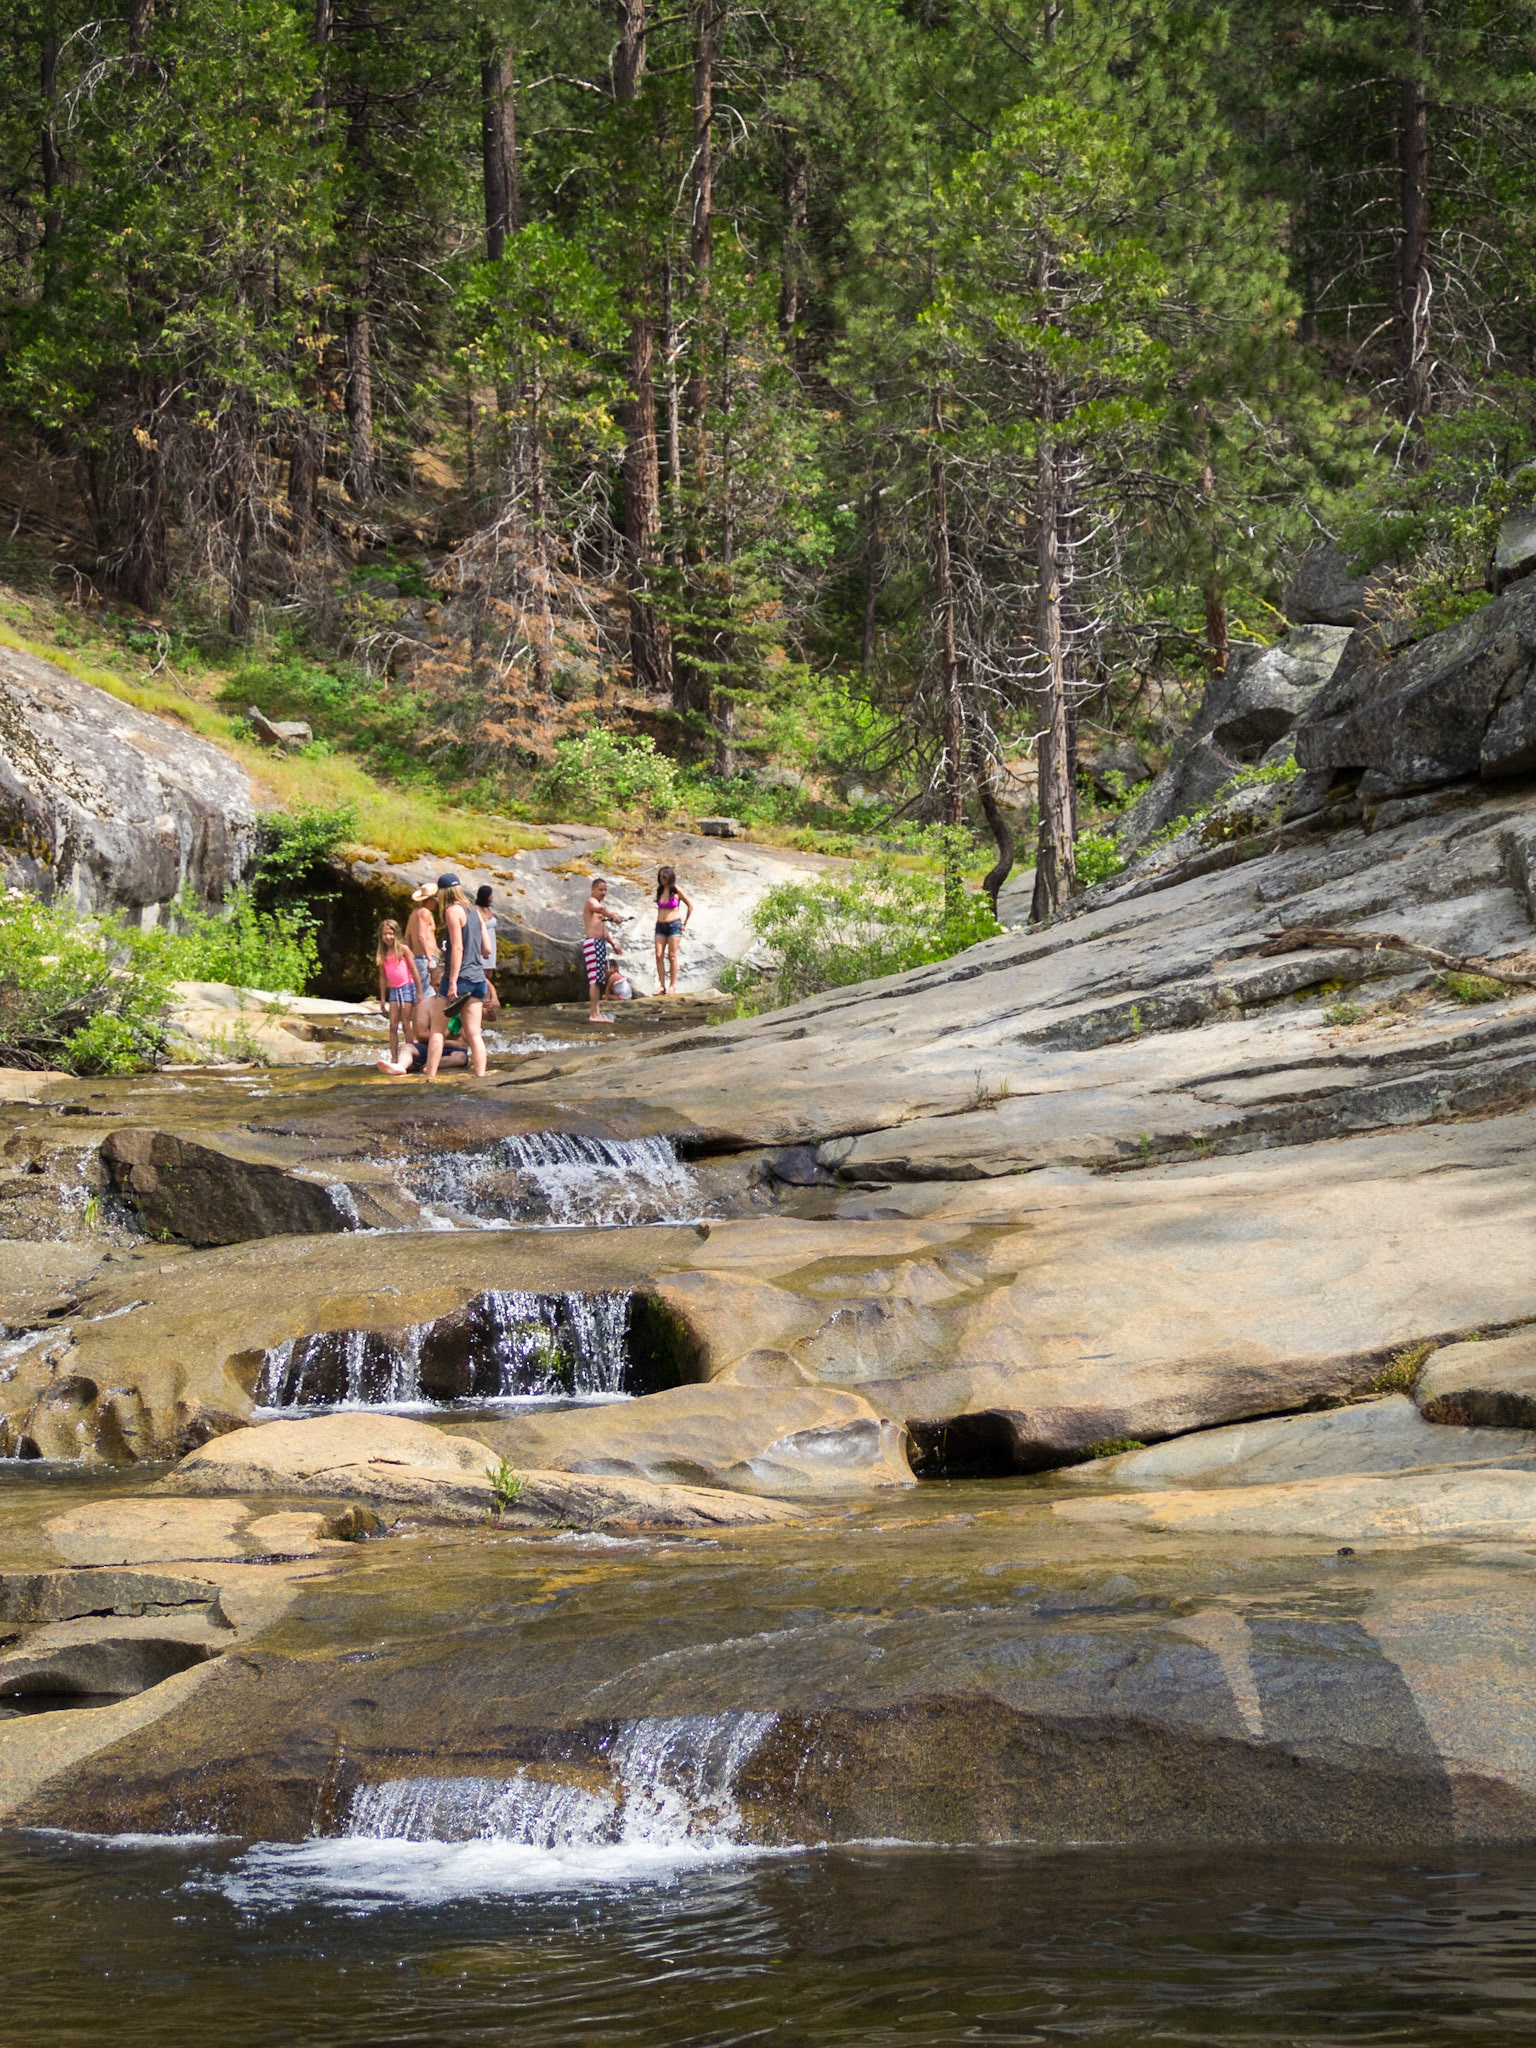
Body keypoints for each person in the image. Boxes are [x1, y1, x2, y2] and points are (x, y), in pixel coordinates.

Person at [436, 873, 489, 1077]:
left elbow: (457, 948)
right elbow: (487, 949)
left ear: (443, 893)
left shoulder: (452, 911)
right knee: (474, 1033)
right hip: (478, 979)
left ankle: (429, 1076)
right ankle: (481, 1076)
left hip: (461, 977)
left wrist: (452, 982)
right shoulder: (475, 911)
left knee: (437, 1032)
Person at [374, 994, 471, 1077]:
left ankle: (427, 1065)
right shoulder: (425, 1005)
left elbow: (463, 1045)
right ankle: (400, 1066)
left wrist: (443, 1039)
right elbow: (420, 1035)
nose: (442, 989)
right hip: (429, 1046)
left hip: (451, 1050)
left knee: (460, 1058)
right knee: (407, 1047)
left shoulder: (461, 1006)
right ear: (431, 984)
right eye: (438, 985)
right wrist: (442, 1037)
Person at [375, 917, 423, 1060]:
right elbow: (383, 978)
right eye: (385, 934)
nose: (388, 937)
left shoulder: (403, 949)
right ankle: (394, 1058)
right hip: (395, 990)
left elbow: (414, 971)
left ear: (396, 934)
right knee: (392, 1025)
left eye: (391, 933)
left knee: (407, 1024)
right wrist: (383, 998)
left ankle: (411, 1056)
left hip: (407, 988)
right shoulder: (382, 954)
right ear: (381, 936)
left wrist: (419, 992)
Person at [582, 877, 626, 1024]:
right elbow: (600, 909)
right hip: (592, 943)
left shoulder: (600, 907)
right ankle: (594, 1014)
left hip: (600, 943)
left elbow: (604, 930)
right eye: (600, 889)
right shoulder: (591, 902)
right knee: (594, 979)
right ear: (593, 890)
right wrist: (613, 915)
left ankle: (597, 1013)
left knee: (599, 979)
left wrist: (613, 944)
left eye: (605, 890)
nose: (603, 892)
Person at [404, 884, 439, 1037]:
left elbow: (408, 939)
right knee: (427, 995)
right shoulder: (425, 913)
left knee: (420, 994)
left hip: (418, 958)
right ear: (429, 900)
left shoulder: (413, 914)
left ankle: (417, 1031)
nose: (437, 902)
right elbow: (421, 936)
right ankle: (422, 1032)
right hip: (425, 959)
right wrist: (430, 958)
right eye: (435, 899)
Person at [653, 865, 693, 996]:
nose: (662, 879)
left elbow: (690, 906)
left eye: (664, 877)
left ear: (670, 877)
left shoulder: (676, 890)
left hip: (674, 925)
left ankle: (672, 985)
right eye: (660, 877)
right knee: (659, 955)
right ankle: (662, 985)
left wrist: (684, 923)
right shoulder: (659, 890)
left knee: (672, 956)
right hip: (660, 925)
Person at [474, 884, 502, 1021]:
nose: (493, 897)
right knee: (481, 973)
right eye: (491, 894)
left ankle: (487, 1003)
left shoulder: (489, 909)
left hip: (492, 945)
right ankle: (480, 1002)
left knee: (489, 974)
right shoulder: (476, 909)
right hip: (482, 945)